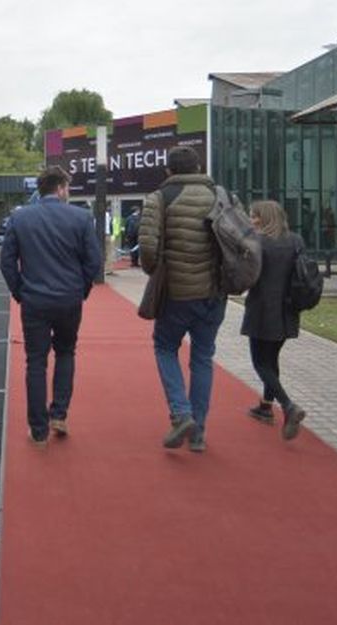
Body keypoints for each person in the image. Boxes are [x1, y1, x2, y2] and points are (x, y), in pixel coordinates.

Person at [1, 166, 102, 446]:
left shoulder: (20, 218)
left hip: (34, 300)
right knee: (66, 353)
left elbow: (7, 262)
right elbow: (93, 262)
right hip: (69, 300)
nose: (68, 193)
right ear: (60, 188)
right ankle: (59, 413)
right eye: (67, 188)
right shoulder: (81, 218)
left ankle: (38, 429)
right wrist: (80, 289)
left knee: (35, 362)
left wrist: (20, 291)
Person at [138, 146, 225, 453]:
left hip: (176, 293)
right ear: (199, 166)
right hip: (214, 293)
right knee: (202, 358)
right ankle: (198, 433)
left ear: (168, 171)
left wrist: (154, 271)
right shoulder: (221, 195)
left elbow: (147, 248)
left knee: (164, 348)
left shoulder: (159, 198)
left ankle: (181, 413)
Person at [242, 200, 308, 440]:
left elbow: (248, 275)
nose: (251, 219)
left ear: (264, 218)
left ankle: (288, 406)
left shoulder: (259, 242)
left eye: (254, 215)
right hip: (288, 309)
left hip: (262, 308)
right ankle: (265, 407)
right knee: (272, 359)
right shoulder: (296, 240)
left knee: (260, 362)